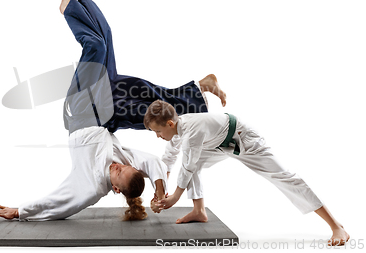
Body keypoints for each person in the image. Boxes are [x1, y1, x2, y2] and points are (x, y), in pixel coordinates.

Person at [0, 0, 226, 221]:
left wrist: (21, 211)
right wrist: (160, 191)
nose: (117, 166)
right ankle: (80, 4)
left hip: (80, 112)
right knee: (149, 102)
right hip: (104, 113)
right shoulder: (125, 163)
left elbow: (59, 202)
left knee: (96, 46)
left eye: (118, 173)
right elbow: (152, 163)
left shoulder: (90, 188)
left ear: (115, 189)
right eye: (124, 167)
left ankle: (69, 9)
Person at [144, 100, 350, 246]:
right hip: (219, 143)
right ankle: (199, 211)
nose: (157, 136)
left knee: (283, 177)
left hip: (244, 139)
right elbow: (169, 159)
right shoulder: (178, 131)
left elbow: (187, 165)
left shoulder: (191, 132)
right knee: (192, 164)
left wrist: (175, 198)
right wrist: (162, 194)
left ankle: (336, 226)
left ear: (170, 123)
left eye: (158, 132)